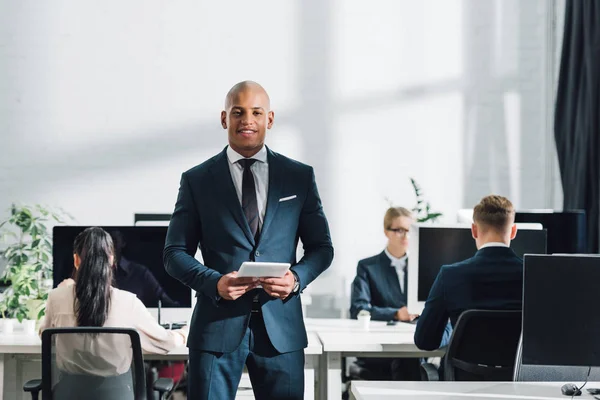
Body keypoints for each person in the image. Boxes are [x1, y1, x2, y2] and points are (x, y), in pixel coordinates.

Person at [163, 81, 334, 400]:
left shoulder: (298, 177)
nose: (247, 120)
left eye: (256, 112)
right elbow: (174, 254)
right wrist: (214, 283)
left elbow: (322, 249)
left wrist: (296, 279)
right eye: (238, 112)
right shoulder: (197, 180)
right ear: (224, 118)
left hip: (281, 330)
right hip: (216, 329)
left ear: (269, 119)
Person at [41, 227, 187, 399]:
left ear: (76, 260)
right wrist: (183, 332)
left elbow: (44, 336)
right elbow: (165, 343)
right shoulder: (129, 301)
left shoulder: (56, 297)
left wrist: (64, 290)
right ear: (111, 260)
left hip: (68, 395)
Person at [414, 194, 523, 351]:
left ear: (473, 230)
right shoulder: (535, 275)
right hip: (518, 375)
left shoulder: (449, 275)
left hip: (464, 375)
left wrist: (452, 329)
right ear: (513, 231)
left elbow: (425, 341)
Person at [349, 206, 420, 380]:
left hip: (414, 344)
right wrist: (396, 314)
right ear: (386, 232)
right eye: (399, 230)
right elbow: (359, 309)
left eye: (410, 231)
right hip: (380, 346)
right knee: (405, 366)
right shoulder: (368, 267)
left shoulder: (422, 266)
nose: (406, 236)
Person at [109, 230, 179, 307]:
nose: (111, 245)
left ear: (123, 242)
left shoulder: (140, 273)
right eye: (108, 241)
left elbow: (164, 299)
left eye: (114, 240)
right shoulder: (96, 271)